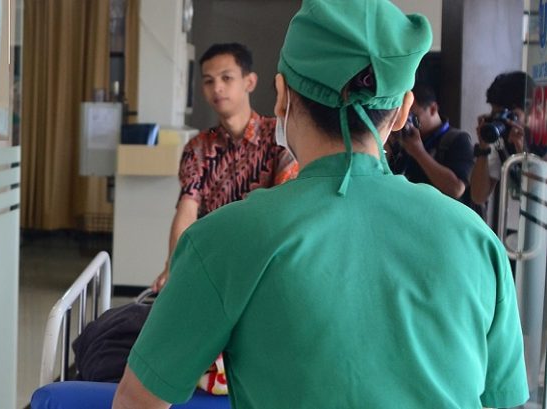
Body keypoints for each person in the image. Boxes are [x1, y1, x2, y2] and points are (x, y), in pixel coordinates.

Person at [113, 1, 528, 408]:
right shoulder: (477, 241)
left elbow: (138, 401)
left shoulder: (224, 240)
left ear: (280, 97)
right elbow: (503, 401)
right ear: (403, 111)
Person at [150, 43, 297, 292]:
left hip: (265, 264)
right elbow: (187, 210)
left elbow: (283, 209)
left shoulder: (280, 137)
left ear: (249, 82)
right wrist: (173, 267)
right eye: (208, 81)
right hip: (210, 264)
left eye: (226, 78)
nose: (216, 88)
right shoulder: (198, 147)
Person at [389, 84, 479, 213]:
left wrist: (419, 153)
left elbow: (456, 189)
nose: (408, 123)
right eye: (404, 117)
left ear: (432, 109)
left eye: (413, 117)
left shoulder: (458, 140)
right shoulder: (404, 139)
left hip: (441, 216)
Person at [470, 71, 540, 215]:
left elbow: (536, 191)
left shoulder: (541, 141)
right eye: (495, 114)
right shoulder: (501, 140)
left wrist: (522, 151)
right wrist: (483, 148)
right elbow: (478, 196)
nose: (501, 121)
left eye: (507, 115)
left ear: (529, 108)